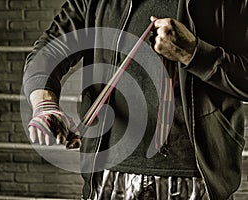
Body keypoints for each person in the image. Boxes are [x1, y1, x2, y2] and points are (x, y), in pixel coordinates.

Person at [22, 0, 248, 199]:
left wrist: (194, 53)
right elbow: (50, 49)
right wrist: (45, 104)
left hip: (196, 178)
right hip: (109, 175)